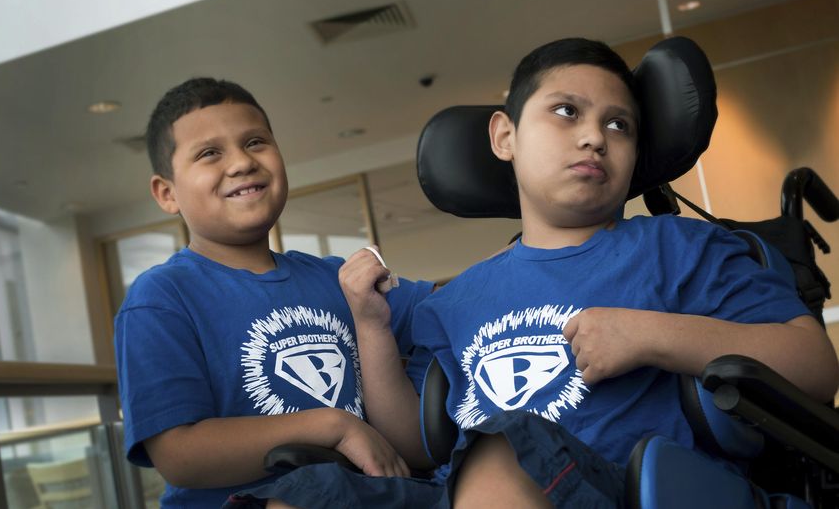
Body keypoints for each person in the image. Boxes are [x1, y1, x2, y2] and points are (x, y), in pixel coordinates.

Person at [338, 38, 839, 508]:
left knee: (506, 445)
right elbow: (416, 447)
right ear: (505, 136)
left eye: (619, 125)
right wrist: (370, 324)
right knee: (313, 488)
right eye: (566, 111)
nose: (595, 137)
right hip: (473, 488)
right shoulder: (452, 303)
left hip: (633, 489)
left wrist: (651, 335)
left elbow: (814, 367)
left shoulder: (679, 248)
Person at [114, 77, 444, 508]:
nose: (241, 163)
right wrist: (332, 426)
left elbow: (453, 303)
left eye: (255, 142)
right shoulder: (159, 297)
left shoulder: (336, 278)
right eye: (209, 153)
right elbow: (178, 455)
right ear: (167, 193)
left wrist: (536, 249)